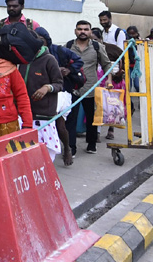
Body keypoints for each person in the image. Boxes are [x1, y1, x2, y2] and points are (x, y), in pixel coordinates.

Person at [65, 21, 112, 154]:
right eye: (80, 29)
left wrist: (109, 80)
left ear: (90, 32)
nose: (83, 32)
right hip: (72, 88)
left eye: (86, 29)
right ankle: (71, 148)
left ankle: (91, 144)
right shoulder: (68, 46)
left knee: (91, 117)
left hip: (90, 88)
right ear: (75, 31)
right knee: (70, 119)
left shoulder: (97, 47)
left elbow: (107, 65)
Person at [17, 44, 66, 161]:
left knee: (46, 154)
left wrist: (47, 88)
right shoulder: (21, 60)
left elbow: (59, 83)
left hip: (43, 114)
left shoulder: (49, 60)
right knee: (25, 152)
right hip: (23, 114)